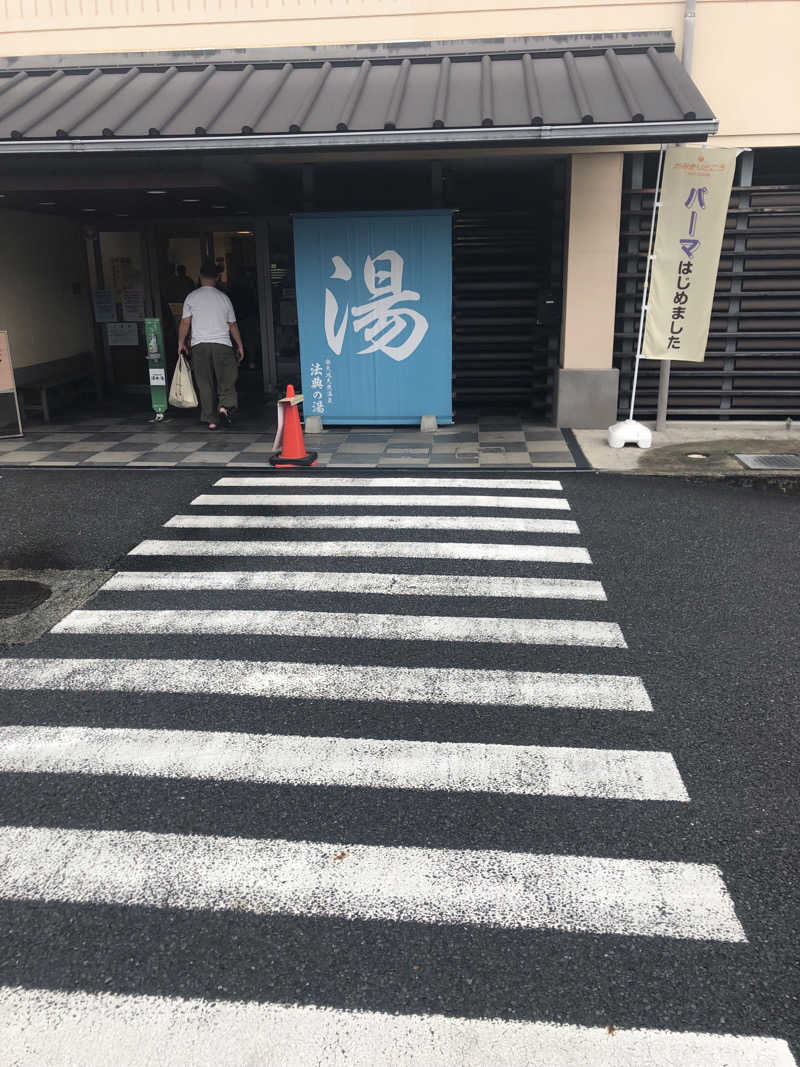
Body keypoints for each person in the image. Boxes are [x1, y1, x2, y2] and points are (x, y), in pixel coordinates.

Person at [178, 260, 244, 430]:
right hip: (222, 344)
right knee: (227, 378)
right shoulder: (224, 298)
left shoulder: (191, 297)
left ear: (200, 277)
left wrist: (181, 342)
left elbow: (185, 322)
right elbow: (232, 325)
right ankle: (225, 406)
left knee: (204, 382)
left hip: (199, 345)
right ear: (217, 277)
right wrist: (240, 345)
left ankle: (210, 419)